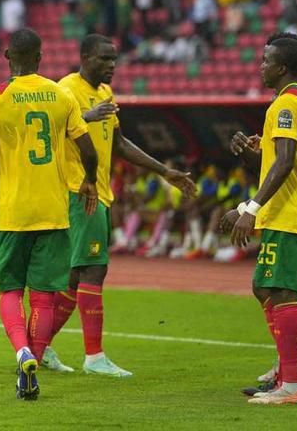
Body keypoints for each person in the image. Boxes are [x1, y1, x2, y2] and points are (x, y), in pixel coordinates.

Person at [43, 35, 196, 377]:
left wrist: (164, 170)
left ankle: (39, 346)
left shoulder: (106, 94)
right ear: (84, 57)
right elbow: (48, 130)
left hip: (99, 192)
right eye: (104, 59)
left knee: (74, 277)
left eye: (114, 59)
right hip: (79, 191)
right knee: (94, 270)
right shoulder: (65, 89)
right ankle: (94, 356)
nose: (112, 65)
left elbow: (120, 143)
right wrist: (86, 115)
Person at [0, 28, 99, 401]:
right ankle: (36, 360)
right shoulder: (62, 95)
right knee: (44, 296)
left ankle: (22, 352)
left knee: (10, 289)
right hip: (54, 211)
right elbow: (88, 150)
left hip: (15, 212)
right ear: (41, 57)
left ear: (7, 54)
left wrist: (12, 172)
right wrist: (89, 181)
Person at [220, 35, 297, 405]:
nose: (261, 66)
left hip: (290, 212)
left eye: (266, 61)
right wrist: (257, 155)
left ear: (282, 67)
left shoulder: (284, 105)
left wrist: (250, 208)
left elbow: (284, 162)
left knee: (278, 290)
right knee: (276, 288)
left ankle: (293, 384)